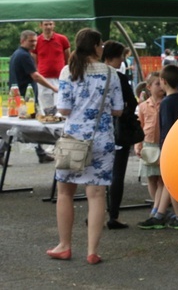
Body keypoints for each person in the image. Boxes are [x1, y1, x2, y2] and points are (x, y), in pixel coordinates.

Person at [48, 28, 124, 265]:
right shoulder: (112, 74)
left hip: (73, 140)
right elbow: (118, 110)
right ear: (95, 47)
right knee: (97, 194)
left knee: (64, 192)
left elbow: (64, 109)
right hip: (101, 140)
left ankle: (65, 245)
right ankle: (92, 250)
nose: (102, 48)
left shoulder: (68, 70)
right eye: (101, 45)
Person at [137, 64, 178, 230]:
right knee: (169, 182)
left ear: (163, 81)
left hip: (170, 147)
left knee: (169, 181)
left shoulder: (167, 103)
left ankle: (166, 215)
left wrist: (163, 150)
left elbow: (166, 128)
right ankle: (169, 215)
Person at [102, 40, 141, 230]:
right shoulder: (119, 77)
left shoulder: (94, 75)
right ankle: (113, 215)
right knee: (117, 173)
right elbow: (131, 102)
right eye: (121, 57)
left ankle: (97, 212)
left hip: (97, 131)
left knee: (99, 174)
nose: (122, 61)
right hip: (118, 132)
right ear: (111, 57)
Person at [8, 30, 60, 163]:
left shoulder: (16, 54)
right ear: (22, 41)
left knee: (23, 126)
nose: (34, 44)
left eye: (35, 41)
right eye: (31, 41)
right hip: (26, 98)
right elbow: (35, 75)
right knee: (27, 126)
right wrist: (53, 87)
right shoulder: (25, 56)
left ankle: (41, 154)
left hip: (19, 97)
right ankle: (2, 151)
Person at [134, 72, 165, 219]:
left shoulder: (166, 103)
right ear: (149, 87)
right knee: (151, 177)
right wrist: (138, 144)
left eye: (162, 83)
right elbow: (140, 126)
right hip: (148, 144)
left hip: (163, 144)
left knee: (162, 179)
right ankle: (156, 204)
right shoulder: (143, 106)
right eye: (157, 84)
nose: (160, 87)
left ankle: (157, 208)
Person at [32, 20, 70, 113]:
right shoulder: (37, 41)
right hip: (44, 78)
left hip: (60, 77)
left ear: (54, 25)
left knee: (60, 105)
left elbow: (67, 57)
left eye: (50, 24)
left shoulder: (62, 39)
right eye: (46, 24)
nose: (48, 27)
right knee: (45, 107)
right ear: (41, 25)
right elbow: (34, 59)